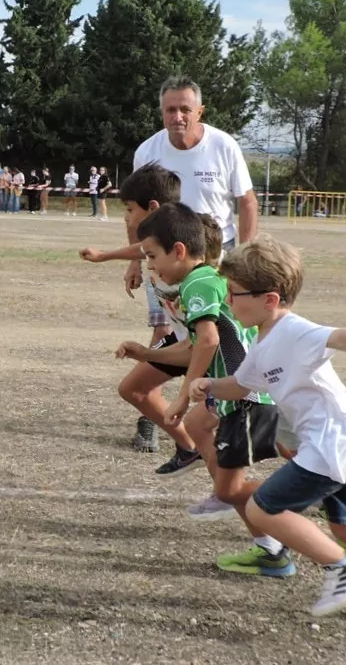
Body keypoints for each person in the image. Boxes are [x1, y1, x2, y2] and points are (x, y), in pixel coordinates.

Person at [193, 235, 346, 624]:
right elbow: (241, 385)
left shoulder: (295, 332)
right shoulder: (262, 343)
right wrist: (209, 386)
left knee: (262, 510)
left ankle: (344, 567)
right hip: (343, 442)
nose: (228, 300)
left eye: (235, 293)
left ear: (270, 300)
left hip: (332, 444)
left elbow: (339, 336)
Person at [129, 202, 295, 577]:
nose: (151, 266)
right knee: (202, 429)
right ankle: (271, 538)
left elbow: (206, 342)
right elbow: (194, 345)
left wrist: (184, 394)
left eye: (153, 256)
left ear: (180, 251)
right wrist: (144, 351)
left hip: (245, 397)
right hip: (237, 393)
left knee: (232, 488)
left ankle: (319, 504)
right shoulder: (206, 280)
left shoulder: (198, 283)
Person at [123, 75, 259, 451]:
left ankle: (237, 411)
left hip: (218, 260)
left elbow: (246, 202)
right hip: (165, 260)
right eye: (170, 109)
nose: (178, 116)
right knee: (166, 331)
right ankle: (152, 416)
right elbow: (136, 215)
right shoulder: (147, 151)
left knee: (224, 335)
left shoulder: (223, 145)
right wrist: (136, 261)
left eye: (185, 109)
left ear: (200, 110)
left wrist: (246, 256)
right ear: (161, 111)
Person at [80, 164, 194, 465]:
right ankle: (189, 449)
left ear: (153, 208)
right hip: (185, 345)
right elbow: (141, 249)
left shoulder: (188, 262)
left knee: (250, 426)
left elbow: (210, 332)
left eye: (130, 209)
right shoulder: (160, 247)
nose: (127, 218)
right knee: (134, 389)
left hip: (212, 353)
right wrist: (103, 256)